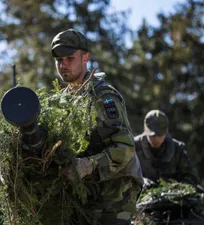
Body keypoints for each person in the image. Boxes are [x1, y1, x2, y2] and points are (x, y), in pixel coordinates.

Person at [51, 28, 144, 225]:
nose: (63, 65)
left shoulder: (103, 97)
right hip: (85, 191)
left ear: (86, 58)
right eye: (59, 60)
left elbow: (125, 149)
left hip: (116, 189)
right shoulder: (61, 101)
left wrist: (88, 164)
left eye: (69, 58)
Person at [134, 109, 199, 187]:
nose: (157, 139)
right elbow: (121, 175)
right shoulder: (133, 147)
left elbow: (192, 177)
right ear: (145, 129)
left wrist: (178, 187)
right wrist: (140, 181)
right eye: (153, 135)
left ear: (167, 131)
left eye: (160, 135)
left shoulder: (178, 149)